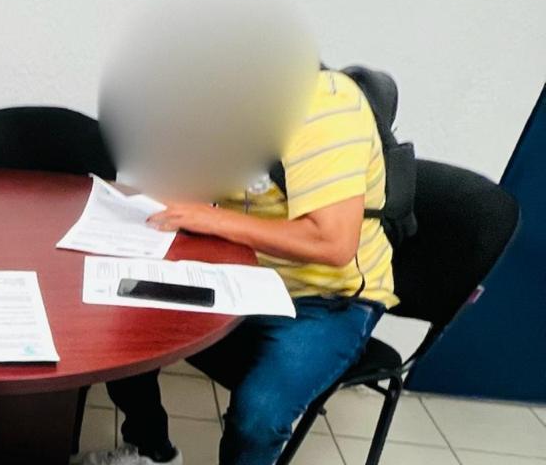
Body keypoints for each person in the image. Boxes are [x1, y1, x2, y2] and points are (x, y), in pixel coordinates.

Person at [78, 68, 397, 465]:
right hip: (241, 278)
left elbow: (332, 243)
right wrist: (127, 201)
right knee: (121, 334)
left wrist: (211, 219)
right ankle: (151, 450)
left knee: (258, 416)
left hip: (328, 298)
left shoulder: (326, 102)